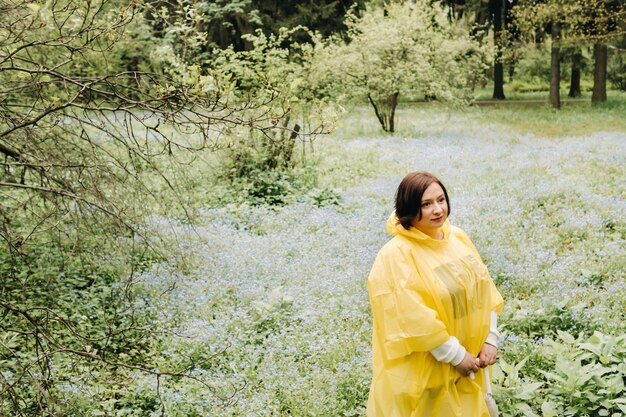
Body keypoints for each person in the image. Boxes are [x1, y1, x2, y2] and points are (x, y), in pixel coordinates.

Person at [366, 171, 504, 417]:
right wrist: (455, 354)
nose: (438, 209)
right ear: (408, 209)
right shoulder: (397, 254)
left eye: (441, 200)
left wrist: (490, 338)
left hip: (471, 361)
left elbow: (484, 289)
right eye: (426, 204)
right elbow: (412, 317)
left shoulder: (457, 237)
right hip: (429, 370)